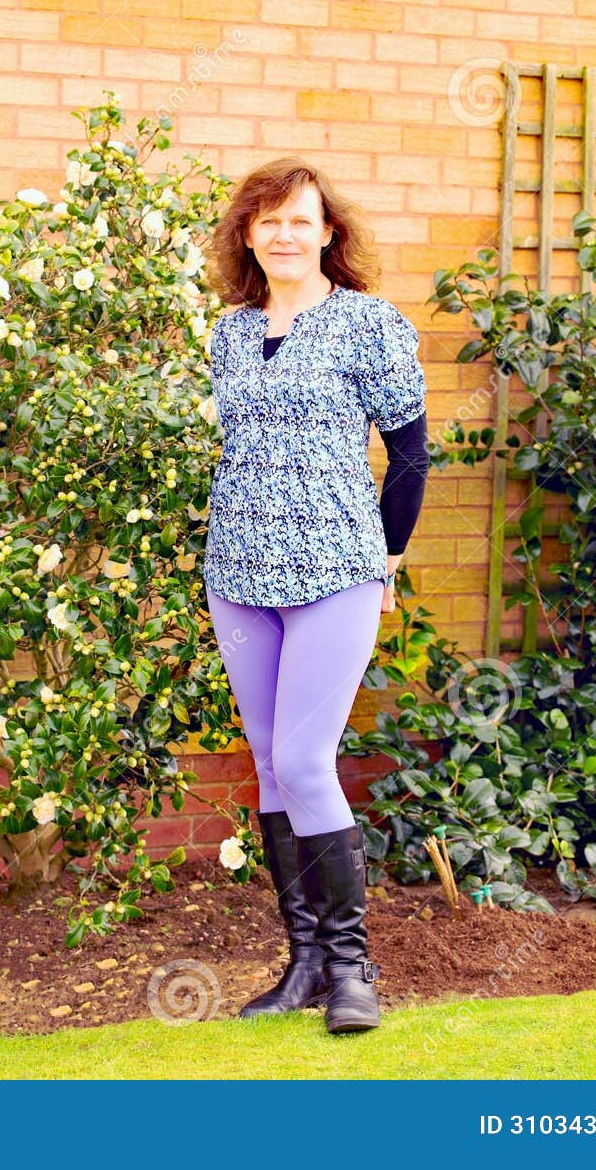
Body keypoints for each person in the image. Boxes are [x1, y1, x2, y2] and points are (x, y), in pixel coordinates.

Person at [203, 159, 430, 1034]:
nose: (283, 234)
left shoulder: (370, 326)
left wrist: (390, 558)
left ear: (328, 231)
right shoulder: (228, 335)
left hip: (338, 567)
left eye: (300, 220)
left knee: (305, 764)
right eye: (266, 221)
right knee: (268, 766)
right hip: (239, 571)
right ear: (248, 236)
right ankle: (302, 965)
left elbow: (409, 456)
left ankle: (352, 969)